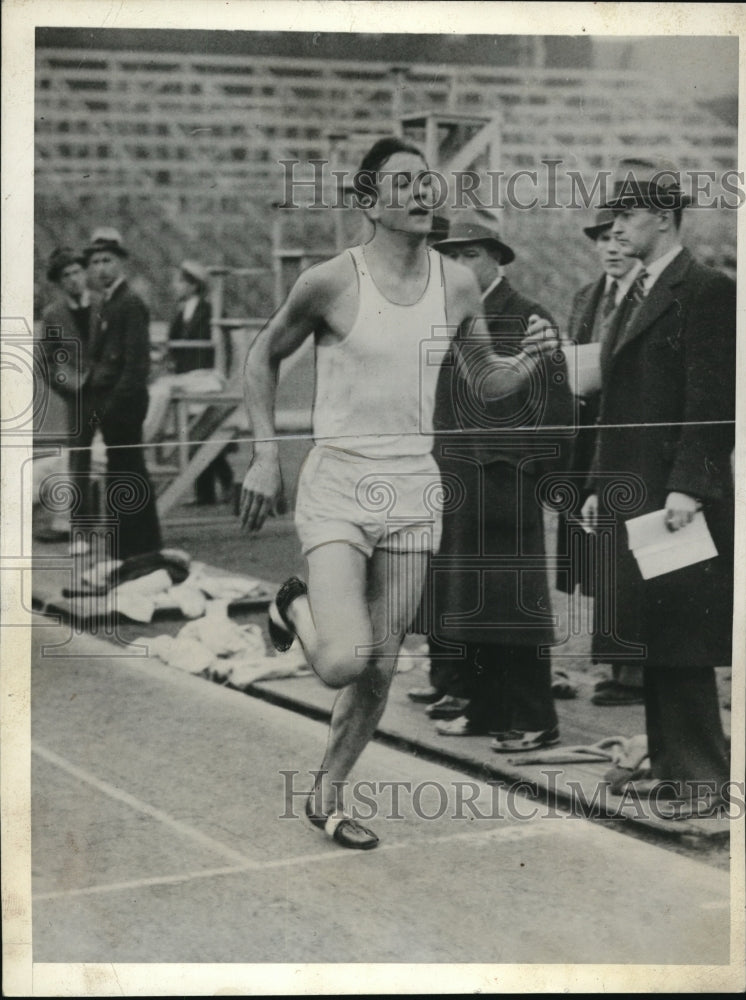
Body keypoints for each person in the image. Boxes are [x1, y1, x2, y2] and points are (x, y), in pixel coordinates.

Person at [239, 137, 559, 848]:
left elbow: (486, 381)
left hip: (414, 487)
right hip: (340, 483)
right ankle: (289, 602)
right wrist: (265, 454)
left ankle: (328, 795)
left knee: (382, 667)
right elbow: (261, 354)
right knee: (343, 660)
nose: (423, 194)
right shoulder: (330, 281)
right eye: (406, 184)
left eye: (428, 182)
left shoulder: (458, 282)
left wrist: (528, 362)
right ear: (367, 202)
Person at [582, 158, 735, 816]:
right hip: (631, 490)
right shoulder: (636, 291)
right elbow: (615, 403)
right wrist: (594, 482)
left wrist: (688, 489)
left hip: (673, 498)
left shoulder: (706, 291)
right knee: (649, 635)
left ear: (665, 219)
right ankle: (672, 766)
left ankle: (700, 779)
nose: (616, 227)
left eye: (628, 216)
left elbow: (712, 402)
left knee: (682, 639)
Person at [422, 218, 566, 751]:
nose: (457, 266)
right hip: (457, 477)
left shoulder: (528, 314)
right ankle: (484, 710)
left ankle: (535, 718)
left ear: (495, 259)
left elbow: (554, 404)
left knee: (516, 605)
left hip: (507, 480)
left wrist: (539, 476)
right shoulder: (451, 314)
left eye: (469, 255)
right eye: (450, 256)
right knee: (470, 600)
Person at [555, 209, 645, 707]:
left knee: (632, 551)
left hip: (630, 438)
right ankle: (617, 665)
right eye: (602, 240)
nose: (610, 248)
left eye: (618, 238)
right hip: (590, 434)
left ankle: (634, 672)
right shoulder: (587, 297)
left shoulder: (649, 295)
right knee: (601, 554)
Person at [74, 227, 162, 560]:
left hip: (123, 407)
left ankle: (142, 549)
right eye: (95, 262)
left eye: (107, 260)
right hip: (109, 405)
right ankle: (128, 550)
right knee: (120, 473)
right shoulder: (107, 303)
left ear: (121, 263)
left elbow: (136, 366)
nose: (100, 268)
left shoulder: (129, 303)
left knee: (129, 472)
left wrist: (113, 407)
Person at [144, 260, 235, 504]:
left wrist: (221, 376)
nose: (176, 287)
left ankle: (224, 484)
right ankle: (208, 492)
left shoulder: (210, 311)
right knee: (196, 434)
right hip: (187, 378)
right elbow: (172, 347)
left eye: (180, 281)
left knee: (201, 432)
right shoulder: (181, 314)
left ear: (194, 286)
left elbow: (224, 347)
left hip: (203, 379)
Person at [37, 247, 101, 541]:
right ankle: (78, 525)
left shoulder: (106, 304)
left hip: (110, 393)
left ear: (85, 274)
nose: (74, 279)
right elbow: (46, 363)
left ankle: (121, 520)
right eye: (66, 276)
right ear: (59, 283)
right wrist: (68, 385)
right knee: (78, 459)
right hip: (77, 397)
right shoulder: (53, 315)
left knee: (117, 454)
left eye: (77, 272)